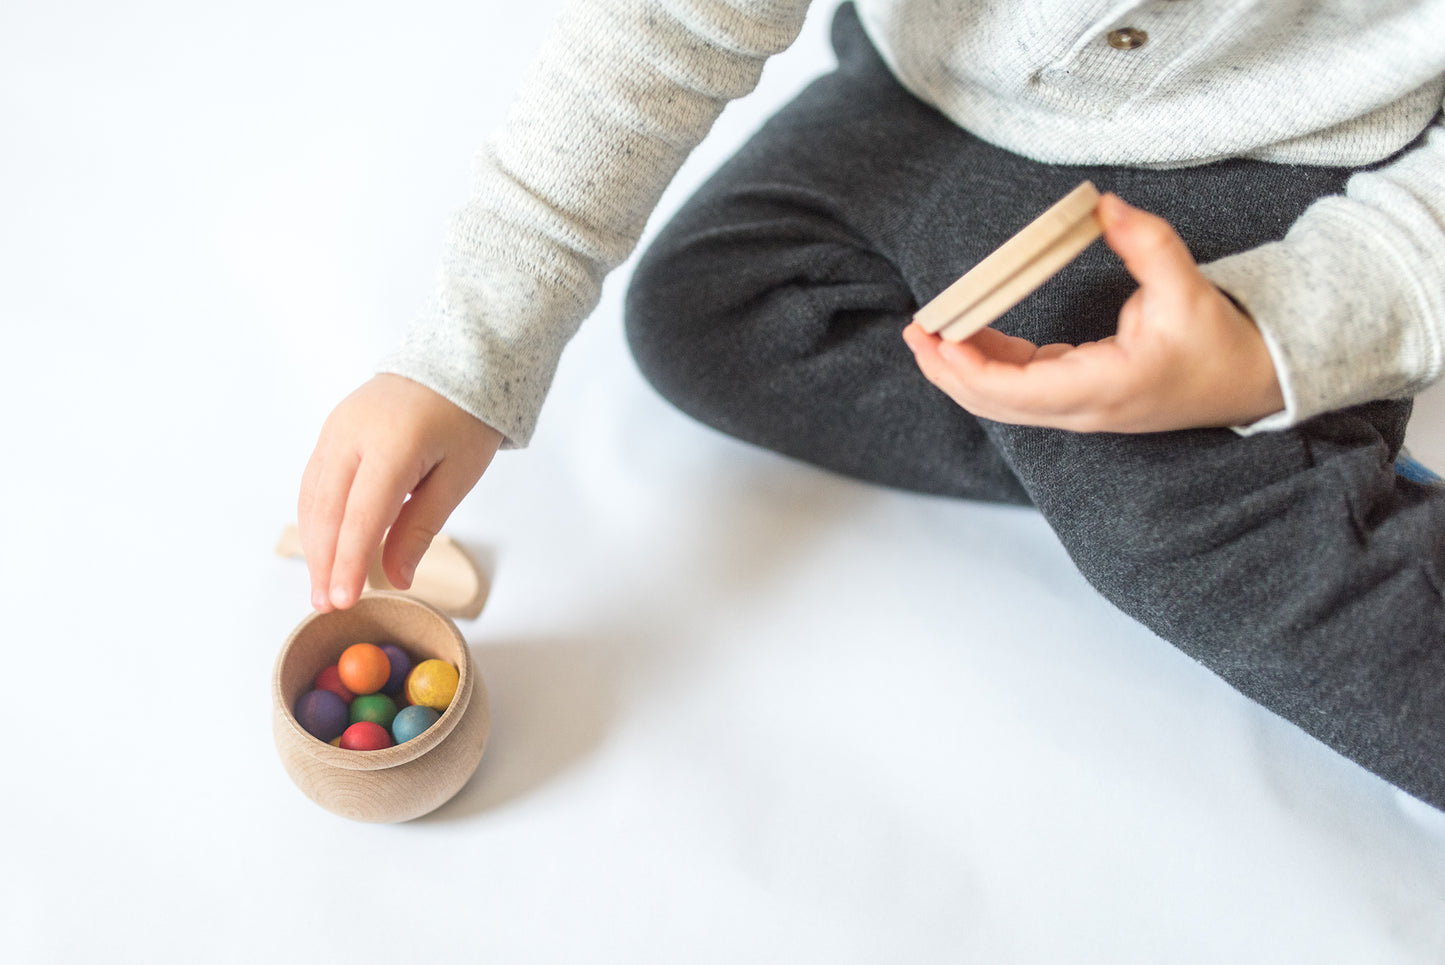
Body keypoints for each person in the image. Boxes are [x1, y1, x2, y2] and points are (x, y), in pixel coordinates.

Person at [298, 0, 1445, 807]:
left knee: (1159, 532)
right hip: (925, 93)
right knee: (705, 317)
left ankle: (1243, 458)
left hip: (1289, 167)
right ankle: (1196, 446)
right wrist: (465, 345)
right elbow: (671, 18)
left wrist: (1283, 330)